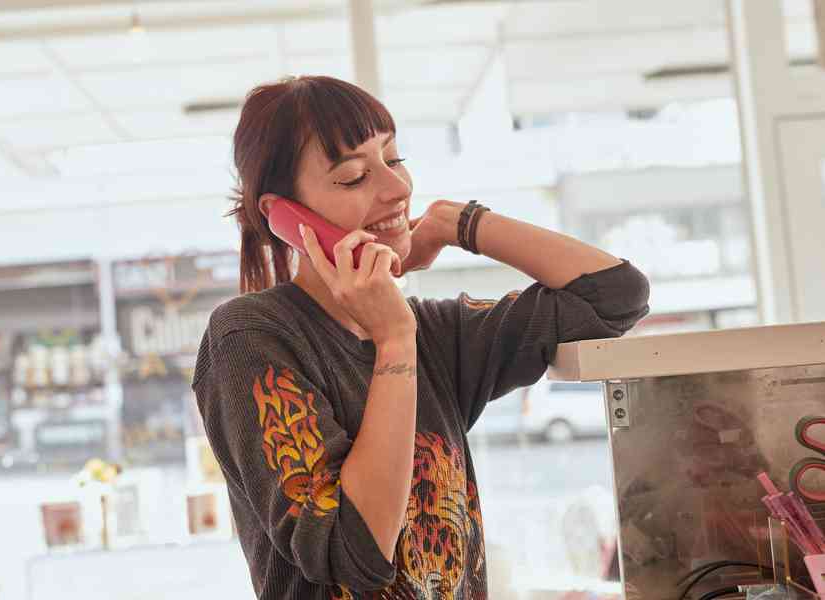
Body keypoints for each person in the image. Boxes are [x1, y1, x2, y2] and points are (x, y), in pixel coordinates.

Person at [191, 75, 650, 600]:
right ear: (286, 216)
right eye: (354, 176)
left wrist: (455, 225)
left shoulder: (435, 333)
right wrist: (393, 342)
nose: (397, 188)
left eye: (393, 157)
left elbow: (615, 294)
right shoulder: (252, 339)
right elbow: (354, 551)